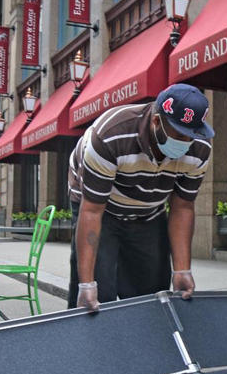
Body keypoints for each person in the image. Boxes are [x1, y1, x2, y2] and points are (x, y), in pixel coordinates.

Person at [66, 83, 214, 312]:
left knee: (151, 290)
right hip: (99, 207)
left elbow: (182, 207)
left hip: (149, 210)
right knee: (97, 292)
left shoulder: (200, 148)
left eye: (190, 136)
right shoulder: (110, 135)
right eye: (178, 135)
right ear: (156, 121)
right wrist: (86, 284)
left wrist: (182, 270)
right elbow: (92, 211)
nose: (185, 144)